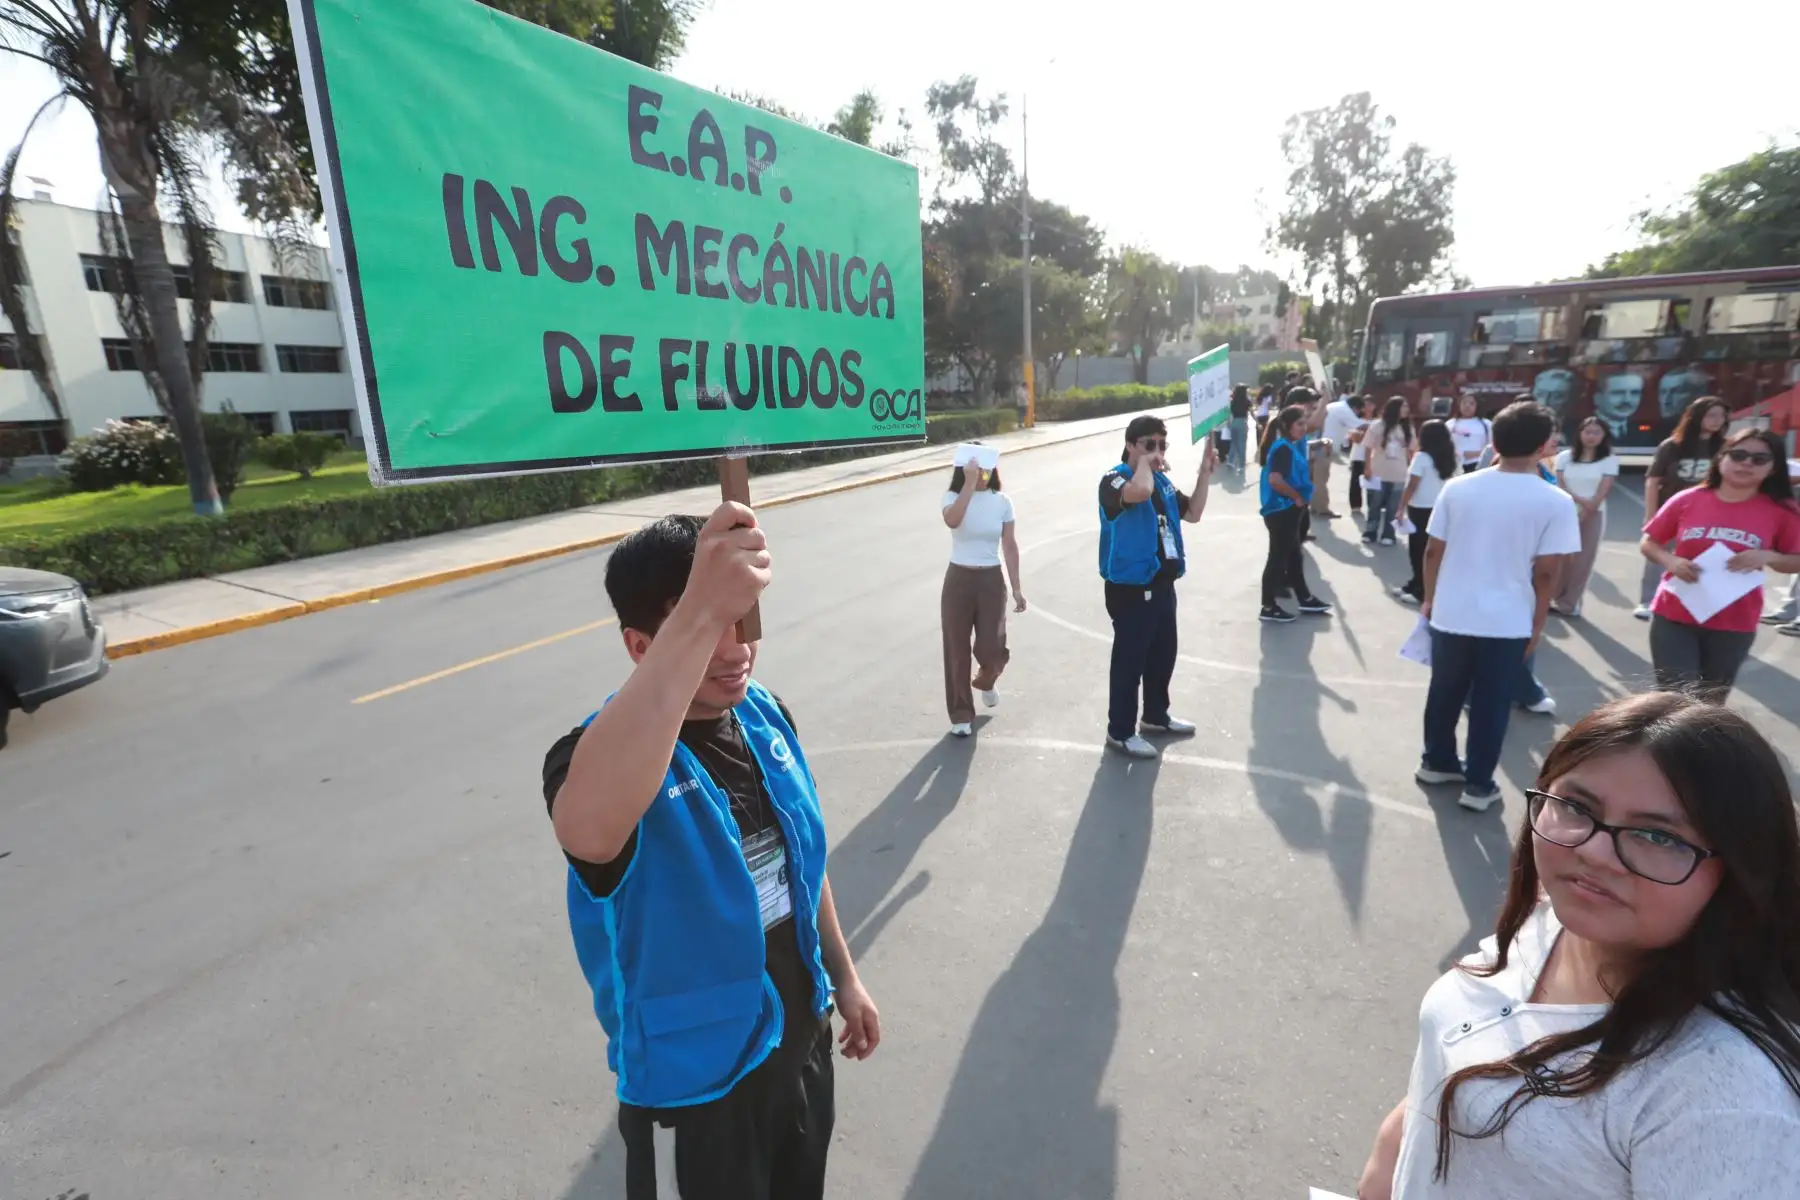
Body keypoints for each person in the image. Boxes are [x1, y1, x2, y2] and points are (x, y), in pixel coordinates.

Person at [540, 506, 881, 1200]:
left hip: (799, 1052)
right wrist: (703, 603)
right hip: (696, 1097)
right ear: (642, 647)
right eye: (706, 626)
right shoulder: (596, 757)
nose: (736, 649)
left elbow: (800, 865)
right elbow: (590, 831)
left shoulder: (766, 715)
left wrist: (844, 978)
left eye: (744, 618)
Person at [1356, 691, 1800, 1200]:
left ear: (1742, 871)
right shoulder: (1558, 919)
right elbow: (1459, 1049)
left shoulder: (1724, 1097)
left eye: (1657, 837)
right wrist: (1394, 1147)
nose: (1593, 850)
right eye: (1576, 806)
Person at [1417, 401, 1581, 811]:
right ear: (1544, 445)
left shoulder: (1458, 487)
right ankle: (1478, 784)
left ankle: (1436, 762)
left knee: (1444, 693)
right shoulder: (1555, 501)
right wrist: (1538, 622)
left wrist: (1430, 597)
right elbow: (1547, 573)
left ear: (1493, 439)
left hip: (1452, 613)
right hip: (1507, 621)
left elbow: (1433, 550)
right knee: (1490, 704)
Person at [1639, 427, 1800, 702]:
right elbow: (1649, 542)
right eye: (1738, 455)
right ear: (1721, 459)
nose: (1746, 463)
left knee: (1709, 703)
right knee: (1674, 699)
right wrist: (1671, 560)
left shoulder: (1781, 511)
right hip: (1675, 613)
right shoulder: (1688, 499)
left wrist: (1768, 556)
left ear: (1773, 468)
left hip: (1734, 622)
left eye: (1759, 459)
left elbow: (1795, 561)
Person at [1097, 415, 1217, 759]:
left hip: (1163, 583)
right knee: (1129, 662)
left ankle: (1155, 716)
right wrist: (1148, 465)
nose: (1157, 451)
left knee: (1163, 655)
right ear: (1131, 445)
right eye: (1149, 444)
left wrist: (1204, 473)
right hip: (1131, 587)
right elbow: (1140, 491)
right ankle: (1119, 731)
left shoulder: (1162, 482)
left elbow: (1192, 512)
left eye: (1162, 445)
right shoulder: (1115, 479)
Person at [940, 457, 1024, 737]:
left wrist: (1016, 587)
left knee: (992, 644)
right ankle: (961, 714)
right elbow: (952, 520)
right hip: (958, 578)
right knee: (956, 648)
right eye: (976, 470)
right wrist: (968, 484)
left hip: (990, 578)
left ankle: (987, 680)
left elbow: (1010, 545)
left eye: (986, 470)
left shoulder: (1002, 501)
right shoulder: (952, 496)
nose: (982, 475)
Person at [1635, 395, 1730, 619]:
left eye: (1722, 416)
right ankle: (1648, 601)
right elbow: (1653, 480)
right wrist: (1651, 514)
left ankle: (1696, 603)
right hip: (1671, 511)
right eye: (1711, 415)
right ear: (1696, 417)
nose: (1717, 421)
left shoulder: (1725, 447)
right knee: (1658, 555)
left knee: (1704, 558)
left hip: (1709, 514)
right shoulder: (1672, 446)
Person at [1257, 404, 1334, 623]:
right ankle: (1268, 606)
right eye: (1299, 423)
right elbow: (1275, 479)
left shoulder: (1290, 446)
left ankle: (1305, 598)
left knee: (1293, 556)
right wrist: (1296, 496)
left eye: (1304, 423)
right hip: (1281, 510)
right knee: (1278, 558)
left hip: (1289, 509)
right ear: (1287, 425)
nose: (1303, 427)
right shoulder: (1283, 448)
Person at [1550, 416, 1619, 618]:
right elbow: (1559, 484)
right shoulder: (1565, 457)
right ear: (1579, 433)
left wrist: (1588, 508)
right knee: (1561, 559)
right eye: (1587, 431)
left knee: (1583, 561)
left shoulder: (1609, 460)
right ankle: (1554, 598)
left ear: (1603, 436)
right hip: (1565, 512)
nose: (1591, 436)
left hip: (1593, 514)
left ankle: (1570, 603)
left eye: (1596, 432)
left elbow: (1603, 490)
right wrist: (1578, 501)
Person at [1393, 419, 1455, 604]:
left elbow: (1412, 485)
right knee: (1431, 549)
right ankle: (1415, 583)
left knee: (1417, 550)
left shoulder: (1422, 457)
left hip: (1420, 508)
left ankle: (1421, 590)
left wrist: (1400, 507)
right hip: (1442, 508)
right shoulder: (1453, 458)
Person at [1362, 397, 1414, 545]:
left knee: (1393, 507)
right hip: (1378, 472)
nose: (1406, 410)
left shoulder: (1407, 428)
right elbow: (1368, 447)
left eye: (1407, 407)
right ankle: (1370, 532)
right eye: (1403, 406)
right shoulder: (1378, 425)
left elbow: (1413, 450)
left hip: (1399, 473)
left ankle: (1389, 534)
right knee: (1374, 505)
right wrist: (1367, 467)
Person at [1321, 389, 1368, 517]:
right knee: (1321, 478)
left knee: (1318, 477)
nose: (1357, 414)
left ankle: (1317, 506)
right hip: (1324, 446)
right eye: (1359, 411)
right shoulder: (1345, 410)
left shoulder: (1336, 406)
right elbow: (1363, 426)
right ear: (1355, 408)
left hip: (1322, 444)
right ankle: (1321, 508)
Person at [1446, 393, 1490, 473]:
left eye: (1471, 403)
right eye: (1464, 403)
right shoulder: (1450, 424)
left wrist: (1476, 454)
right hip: (1456, 465)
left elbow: (1492, 445)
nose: (1467, 406)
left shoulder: (1486, 424)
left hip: (1478, 464)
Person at [1227, 384, 1253, 472]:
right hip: (1242, 423)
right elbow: (1252, 413)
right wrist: (1257, 422)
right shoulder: (1247, 401)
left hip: (1233, 423)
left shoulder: (1232, 401)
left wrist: (1228, 424)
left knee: (1234, 443)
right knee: (1242, 445)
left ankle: (1230, 461)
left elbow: (1229, 415)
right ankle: (1242, 465)